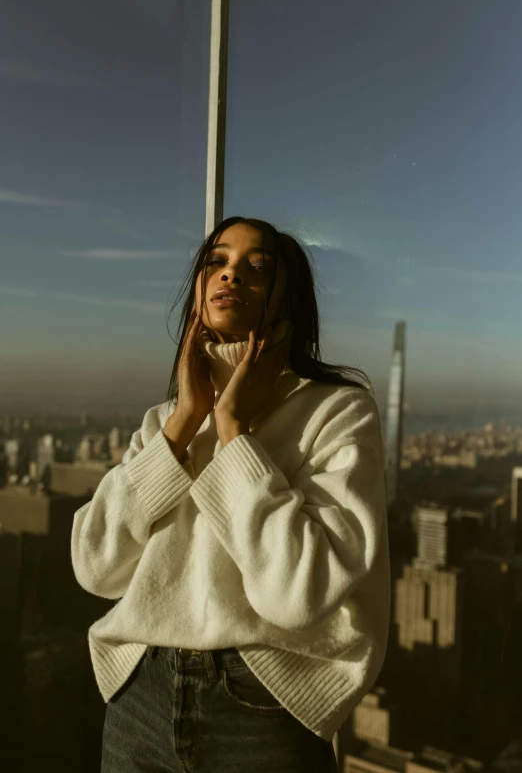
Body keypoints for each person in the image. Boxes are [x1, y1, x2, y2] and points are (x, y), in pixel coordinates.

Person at [71, 216, 390, 773]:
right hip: (138, 702)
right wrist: (186, 421)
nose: (231, 276)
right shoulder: (165, 420)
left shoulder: (337, 411)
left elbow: (296, 596)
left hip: (263, 707)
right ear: (196, 289)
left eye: (258, 268)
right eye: (216, 262)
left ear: (290, 301)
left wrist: (233, 430)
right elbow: (95, 566)